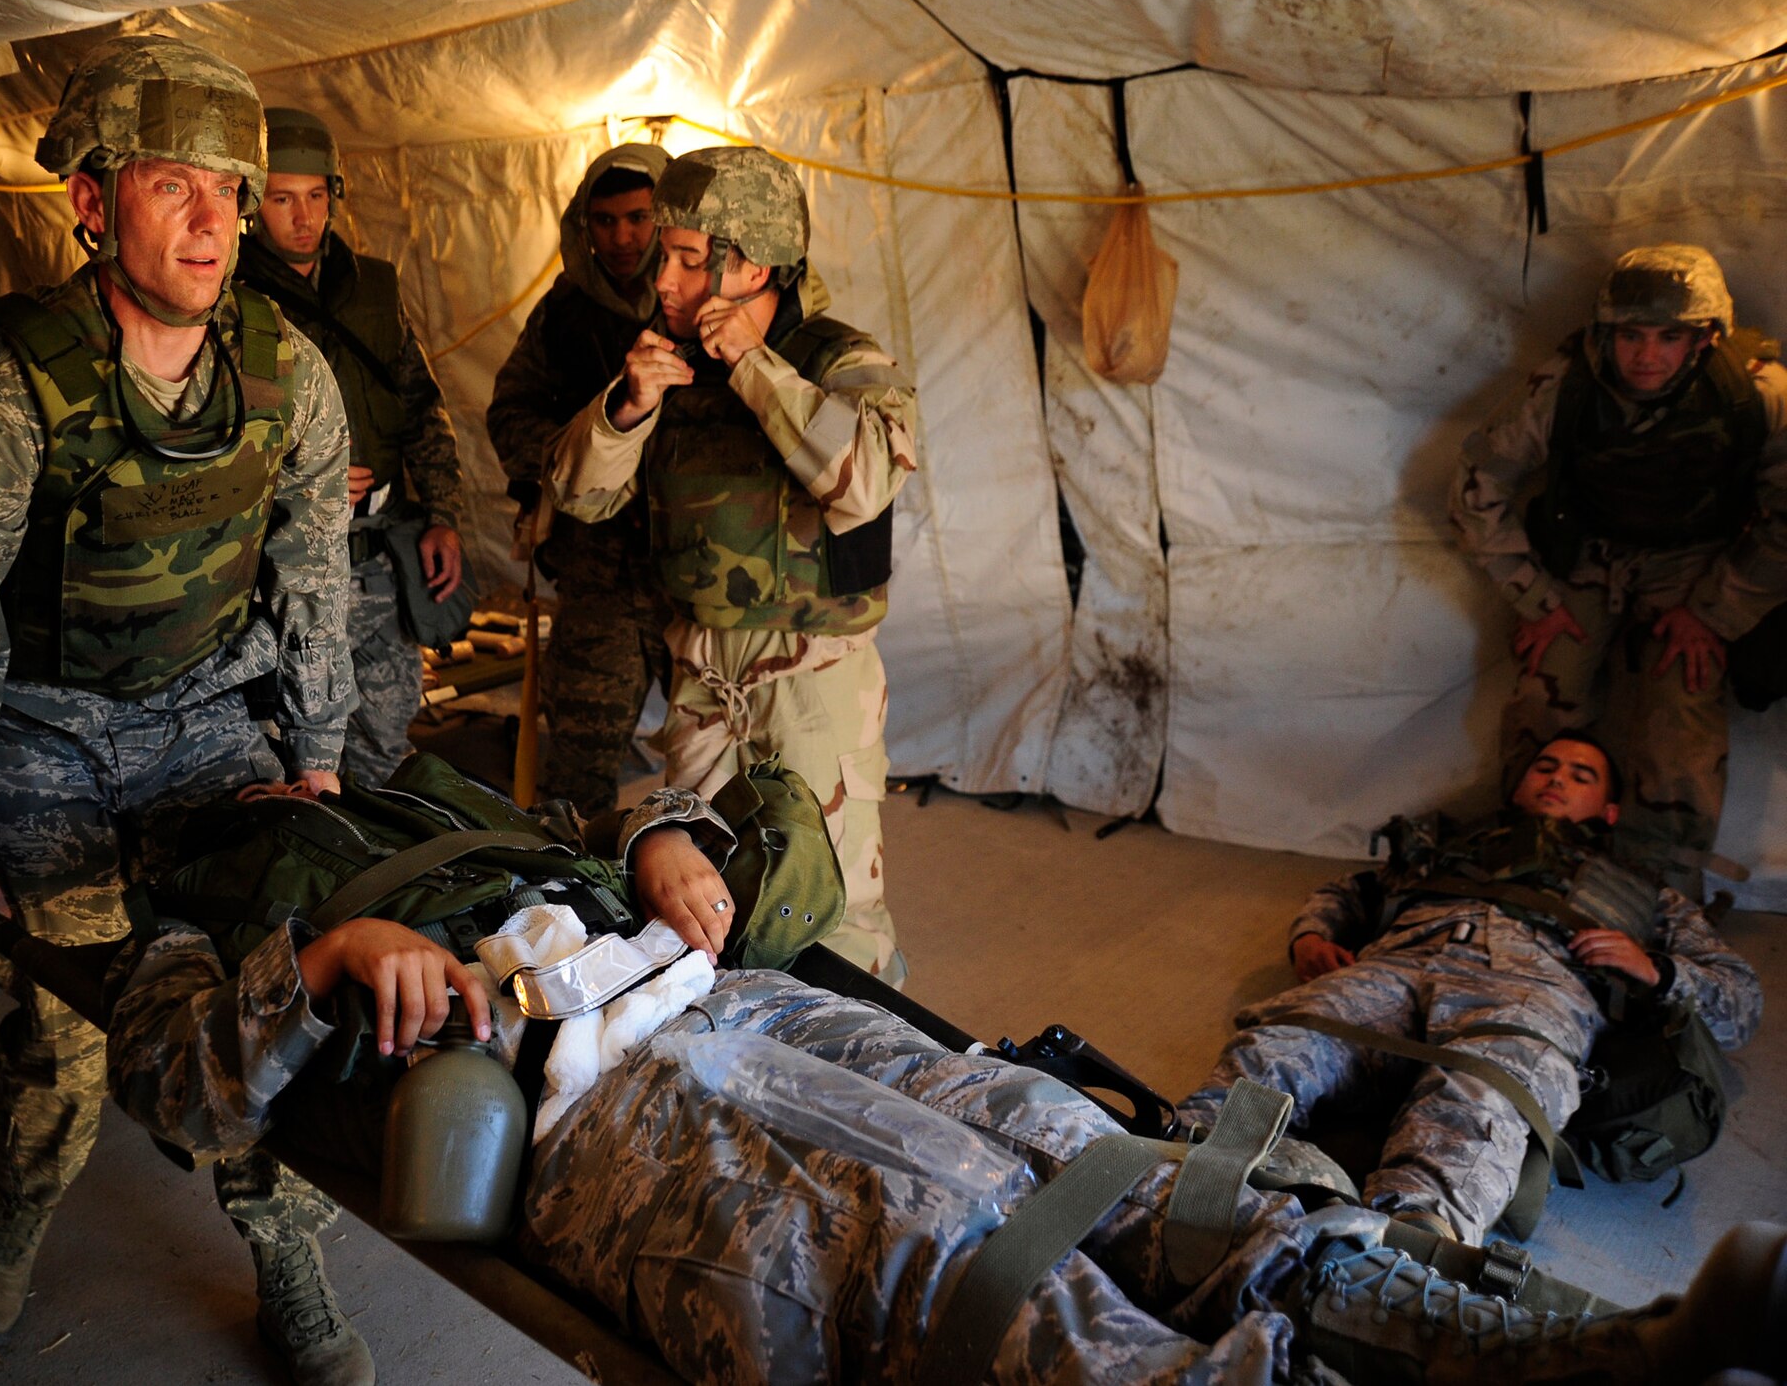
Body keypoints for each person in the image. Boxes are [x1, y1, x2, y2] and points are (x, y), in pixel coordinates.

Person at [101, 767, 1787, 1386]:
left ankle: (1555, 1341)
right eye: (250, 771)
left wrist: (662, 838)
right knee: (951, 1254)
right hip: (578, 1106)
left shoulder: (407, 789)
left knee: (1095, 1150)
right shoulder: (221, 906)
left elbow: (610, 802)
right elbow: (183, 1084)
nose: (290, 770)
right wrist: (322, 959)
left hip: (730, 993)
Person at [0, 38, 373, 1386]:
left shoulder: (288, 372)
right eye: (172, 186)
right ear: (92, 205)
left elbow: (317, 571)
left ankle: (286, 1253)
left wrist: (315, 757)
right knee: (74, 1023)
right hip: (41, 739)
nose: (216, 218)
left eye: (232, 186)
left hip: (211, 721)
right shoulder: (11, 388)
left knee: (274, 992)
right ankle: (23, 1198)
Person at [546, 145, 919, 983]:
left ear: (748, 264)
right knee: (704, 898)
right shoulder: (664, 365)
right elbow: (579, 497)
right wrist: (627, 407)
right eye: (663, 257)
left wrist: (755, 367)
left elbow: (861, 483)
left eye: (684, 258)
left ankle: (863, 1077)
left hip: (813, 682)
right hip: (701, 671)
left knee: (833, 910)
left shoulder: (840, 361)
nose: (662, 280)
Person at [1175, 734, 1761, 1245]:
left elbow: (1739, 1001)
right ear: (1519, 785)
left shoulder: (1647, 890)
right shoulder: (1449, 845)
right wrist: (1310, 937)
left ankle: (1398, 1250)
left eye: (1580, 776)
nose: (1557, 778)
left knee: (1479, 1107)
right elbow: (1349, 891)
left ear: (1609, 812)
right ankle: (1172, 1174)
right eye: (1546, 766)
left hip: (1533, 987)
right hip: (1397, 963)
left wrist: (1657, 970)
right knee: (1276, 1051)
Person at [1449, 243, 1787, 894]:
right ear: (1607, 332)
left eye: (1670, 336)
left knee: (1680, 707)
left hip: (1697, 563)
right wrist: (1534, 595)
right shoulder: (1568, 384)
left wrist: (1716, 611)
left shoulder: (1757, 392)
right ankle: (1527, 857)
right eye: (1631, 334)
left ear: (1707, 336)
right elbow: (1476, 480)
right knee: (1545, 693)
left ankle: (1661, 890)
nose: (1647, 354)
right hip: (1590, 552)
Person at [238, 105, 464, 787]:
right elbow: (210, 444)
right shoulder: (227, 297)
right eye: (282, 199)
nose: (303, 217)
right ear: (252, 202)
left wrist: (444, 515)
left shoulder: (375, 287)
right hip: (284, 576)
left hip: (377, 558)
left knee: (385, 750)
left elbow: (422, 403)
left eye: (316, 196)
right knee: (296, 762)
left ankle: (380, 886)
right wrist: (298, 485)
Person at [486, 143, 673, 813]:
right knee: (576, 779)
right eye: (604, 221)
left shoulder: (704, 302)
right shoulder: (563, 312)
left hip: (693, 576)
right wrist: (576, 458)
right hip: (599, 574)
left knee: (723, 762)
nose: (622, 237)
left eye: (639, 217)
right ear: (583, 225)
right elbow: (509, 413)